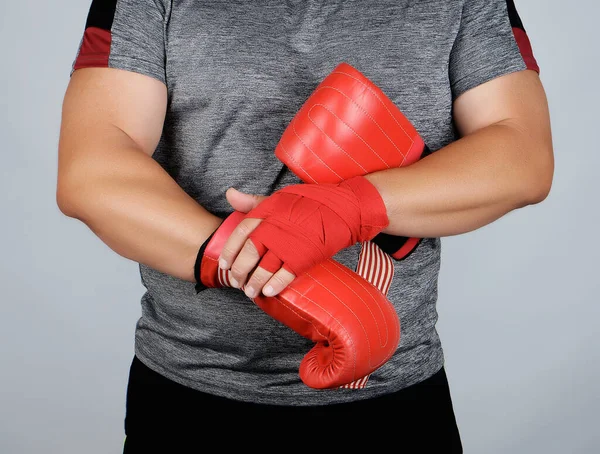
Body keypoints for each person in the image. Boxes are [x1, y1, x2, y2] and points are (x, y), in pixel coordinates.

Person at [57, 0, 553, 452]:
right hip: (192, 393)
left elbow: (522, 155)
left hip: (394, 398)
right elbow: (91, 170)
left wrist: (348, 208)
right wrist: (254, 260)